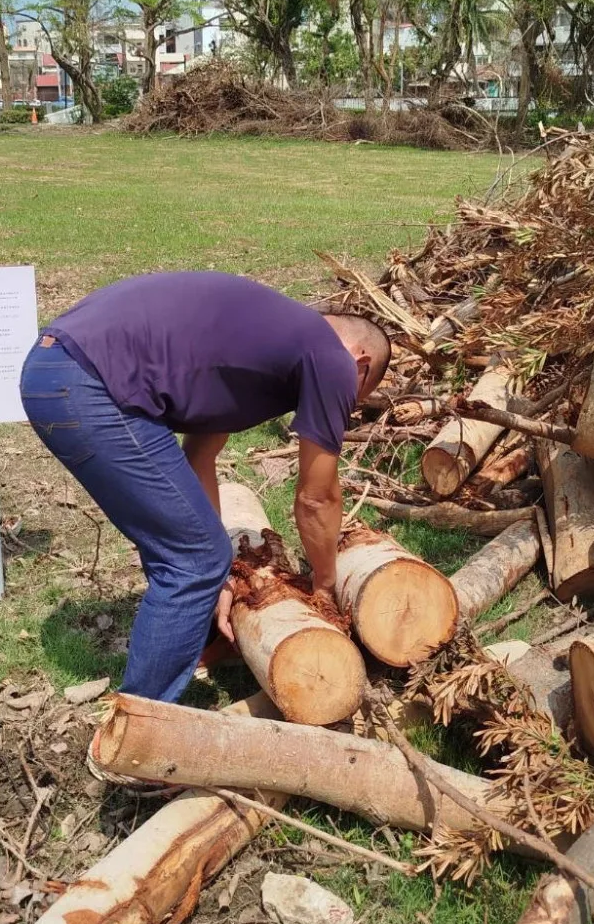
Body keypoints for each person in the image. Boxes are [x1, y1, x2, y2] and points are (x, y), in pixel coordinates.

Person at [20, 271, 391, 705]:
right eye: (358, 397)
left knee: (195, 551)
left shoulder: (260, 343)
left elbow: (199, 458)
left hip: (52, 368)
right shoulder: (331, 358)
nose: (346, 405)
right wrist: (324, 585)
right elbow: (316, 497)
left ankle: (193, 640)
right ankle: (143, 729)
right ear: (360, 364)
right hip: (88, 383)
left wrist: (221, 574)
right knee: (193, 559)